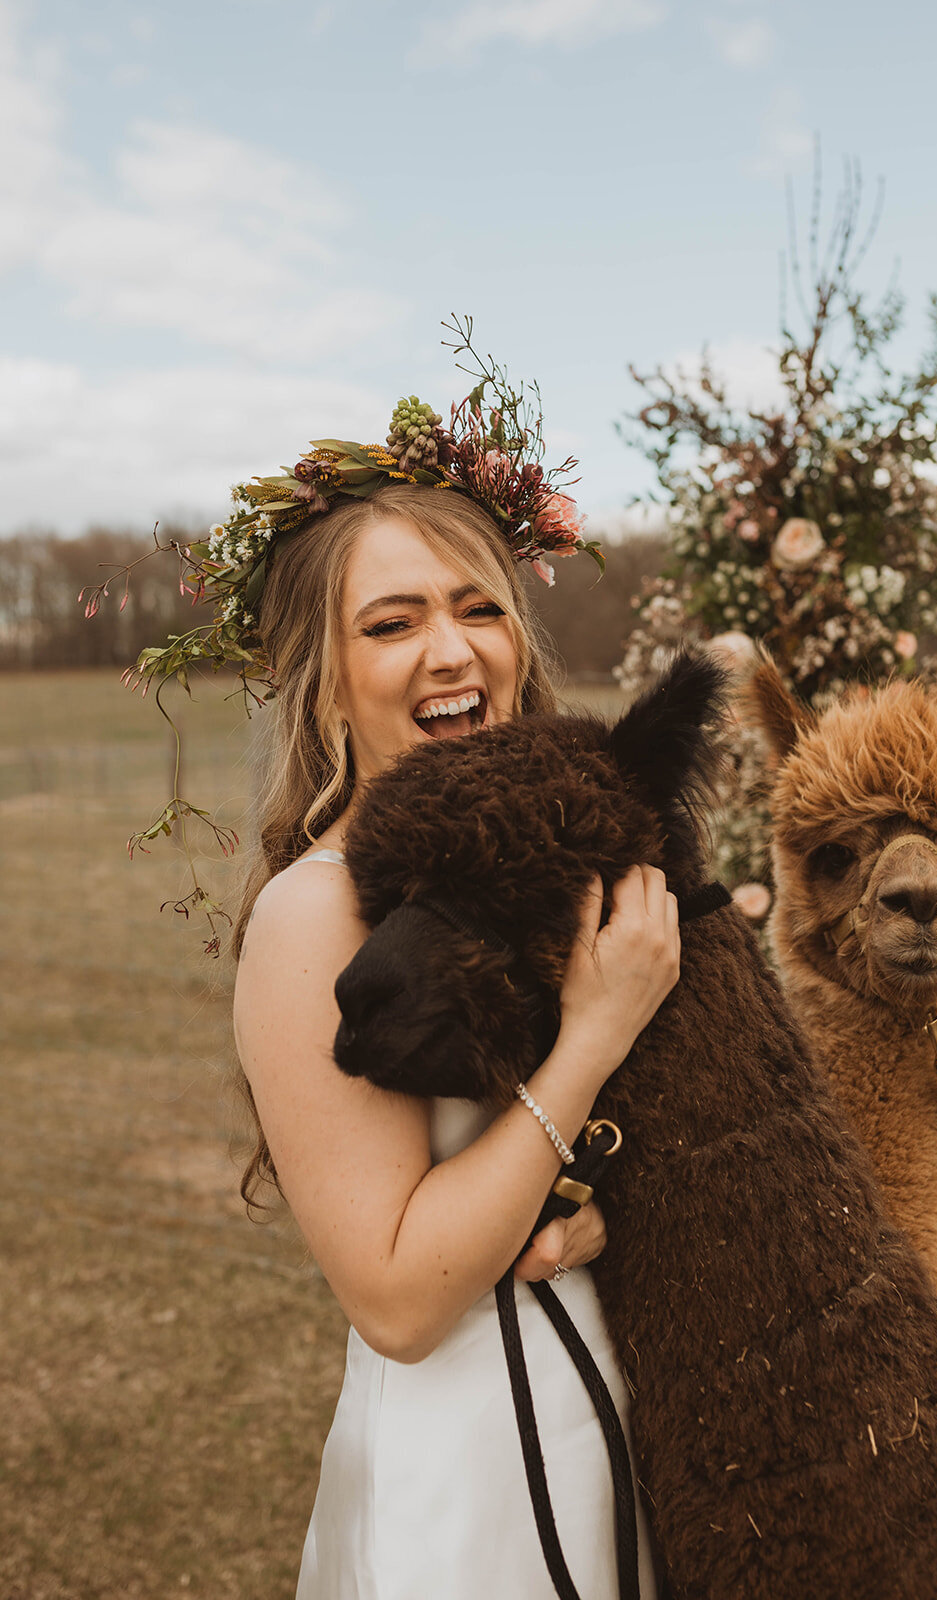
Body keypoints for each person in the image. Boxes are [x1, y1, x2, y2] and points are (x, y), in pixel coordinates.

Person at [112, 360, 680, 1598]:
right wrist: (594, 1031)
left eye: (476, 607)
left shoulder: (556, 869)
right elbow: (397, 1296)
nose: (448, 649)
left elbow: (566, 1161)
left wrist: (590, 1207)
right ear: (321, 674)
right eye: (390, 622)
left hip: (621, 1421)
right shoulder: (318, 915)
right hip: (468, 1479)